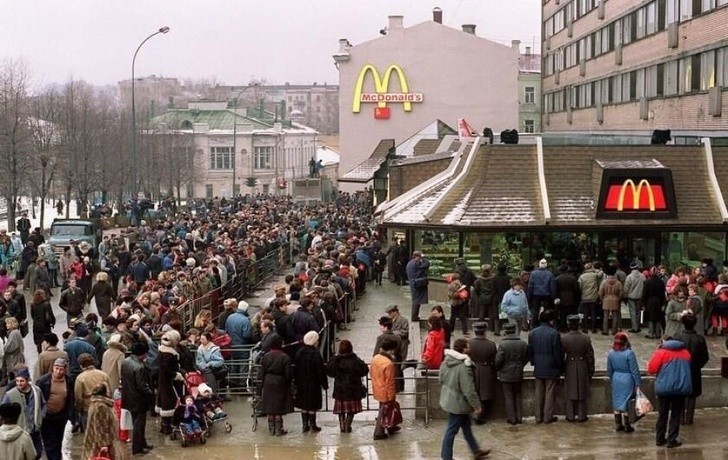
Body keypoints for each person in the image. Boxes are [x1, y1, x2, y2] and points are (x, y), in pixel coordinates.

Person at [438, 338, 490, 460]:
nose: (470, 348)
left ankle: (476, 450)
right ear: (464, 349)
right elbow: (469, 390)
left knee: (466, 426)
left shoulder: (446, 361)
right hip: (459, 403)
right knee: (451, 430)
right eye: (468, 346)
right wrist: (477, 405)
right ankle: (446, 457)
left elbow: (440, 379)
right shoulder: (464, 367)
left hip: (449, 399)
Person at [647, 335, 692, 448]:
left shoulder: (661, 352)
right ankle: (672, 439)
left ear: (664, 342)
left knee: (663, 414)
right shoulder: (686, 353)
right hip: (680, 388)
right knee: (676, 414)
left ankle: (660, 438)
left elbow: (651, 369)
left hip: (664, 388)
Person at [326, 339, 369, 433]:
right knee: (351, 410)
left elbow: (329, 371)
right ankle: (347, 425)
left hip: (340, 389)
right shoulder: (355, 359)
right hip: (353, 389)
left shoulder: (336, 359)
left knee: (341, 410)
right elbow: (365, 370)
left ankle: (342, 425)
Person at [528, 310, 563, 424]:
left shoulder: (533, 333)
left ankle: (538, 417)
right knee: (549, 392)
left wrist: (534, 362)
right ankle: (548, 417)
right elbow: (558, 353)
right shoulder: (554, 333)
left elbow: (530, 351)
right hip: (551, 367)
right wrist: (560, 366)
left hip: (538, 366)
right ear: (551, 320)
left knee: (538, 392)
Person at [1, 368, 44, 459]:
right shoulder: (10, 395)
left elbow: (43, 404)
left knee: (38, 453)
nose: (19, 383)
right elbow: (3, 411)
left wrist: (40, 417)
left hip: (34, 430)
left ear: (28, 380)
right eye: (17, 381)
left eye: (22, 381)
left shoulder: (37, 391)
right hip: (19, 430)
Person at [121, 341, 154, 456]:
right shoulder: (139, 367)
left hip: (128, 397)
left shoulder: (125, 362)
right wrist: (151, 394)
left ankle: (142, 443)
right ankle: (138, 448)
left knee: (138, 424)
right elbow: (143, 386)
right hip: (138, 400)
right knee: (139, 425)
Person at [675, 314, 708, 425]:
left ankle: (680, 418)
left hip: (680, 370)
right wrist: (697, 365)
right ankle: (689, 418)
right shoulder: (699, 339)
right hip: (694, 370)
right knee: (692, 396)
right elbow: (705, 357)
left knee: (680, 395)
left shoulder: (678, 337)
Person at [37, 358, 73, 460]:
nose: (58, 371)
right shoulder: (44, 381)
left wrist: (71, 416)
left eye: (61, 369)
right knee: (50, 442)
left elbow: (70, 399)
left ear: (65, 370)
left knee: (59, 440)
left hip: (61, 417)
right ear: (53, 368)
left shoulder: (68, 381)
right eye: (56, 368)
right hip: (47, 417)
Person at [561, 315, 595, 422]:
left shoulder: (564, 339)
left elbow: (561, 356)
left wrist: (562, 369)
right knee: (582, 391)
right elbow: (590, 356)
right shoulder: (586, 338)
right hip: (582, 365)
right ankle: (582, 415)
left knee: (570, 391)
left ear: (569, 325)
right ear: (579, 325)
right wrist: (591, 370)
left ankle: (570, 415)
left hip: (569, 365)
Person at [258, 335, 294, 436]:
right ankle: (279, 429)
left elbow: (261, 371)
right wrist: (288, 383)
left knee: (269, 406)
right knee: (278, 407)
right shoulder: (285, 357)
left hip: (268, 382)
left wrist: (262, 382)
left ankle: (271, 429)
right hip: (280, 382)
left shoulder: (266, 356)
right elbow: (288, 373)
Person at [293, 331, 328, 432]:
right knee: (312, 405)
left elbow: (295, 368)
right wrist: (324, 384)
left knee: (304, 405)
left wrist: (295, 381)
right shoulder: (316, 354)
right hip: (313, 383)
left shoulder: (300, 352)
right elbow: (320, 370)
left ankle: (305, 425)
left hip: (301, 383)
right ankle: (313, 424)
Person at [606, 332, 641, 434]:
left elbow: (609, 369)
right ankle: (627, 425)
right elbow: (634, 370)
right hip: (627, 379)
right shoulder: (629, 353)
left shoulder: (611, 353)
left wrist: (612, 379)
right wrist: (638, 383)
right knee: (627, 402)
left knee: (617, 401)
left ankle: (618, 424)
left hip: (616, 378)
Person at [82, 383, 127, 460]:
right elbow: (101, 426)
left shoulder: (95, 403)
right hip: (101, 443)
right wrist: (103, 445)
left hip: (96, 441)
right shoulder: (101, 406)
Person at [495, 322, 528, 425]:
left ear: (505, 331)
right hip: (518, 372)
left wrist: (500, 369)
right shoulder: (522, 343)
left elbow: (498, 361)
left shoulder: (503, 344)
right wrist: (520, 365)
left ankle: (512, 418)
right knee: (518, 395)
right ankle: (519, 418)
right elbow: (527, 357)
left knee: (508, 396)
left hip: (506, 374)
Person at [74, 353, 111, 432]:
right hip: (104, 406)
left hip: (88, 408)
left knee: (90, 433)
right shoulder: (104, 375)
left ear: (81, 365)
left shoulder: (80, 378)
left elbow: (78, 397)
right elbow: (109, 392)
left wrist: (78, 409)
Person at [469, 322, 497, 425]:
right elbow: (495, 361)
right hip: (487, 370)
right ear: (484, 331)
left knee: (474, 393)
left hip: (473, 369)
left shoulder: (469, 343)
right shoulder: (491, 344)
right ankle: (481, 415)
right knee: (486, 395)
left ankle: (475, 414)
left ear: (475, 331)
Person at [371, 338, 399, 440]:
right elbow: (390, 382)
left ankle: (390, 427)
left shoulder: (376, 358)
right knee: (383, 412)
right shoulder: (388, 364)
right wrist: (392, 395)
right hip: (385, 392)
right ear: (391, 350)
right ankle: (378, 433)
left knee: (383, 410)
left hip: (377, 388)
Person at [156, 330, 182, 435]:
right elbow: (167, 369)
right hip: (169, 382)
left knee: (164, 403)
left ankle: (164, 426)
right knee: (169, 404)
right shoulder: (169, 354)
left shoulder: (162, 351)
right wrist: (176, 375)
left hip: (162, 381)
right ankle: (167, 427)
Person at [527, 259, 555, 327]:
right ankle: (546, 324)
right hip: (546, 294)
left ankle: (534, 325)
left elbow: (531, 285)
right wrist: (553, 296)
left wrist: (529, 295)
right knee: (546, 310)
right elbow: (552, 286)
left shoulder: (533, 273)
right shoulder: (550, 274)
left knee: (535, 310)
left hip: (536, 294)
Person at [405, 250, 429, 322]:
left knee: (416, 300)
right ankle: (414, 317)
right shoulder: (417, 263)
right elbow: (426, 264)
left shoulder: (410, 263)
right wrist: (424, 259)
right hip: (417, 284)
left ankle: (415, 316)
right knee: (416, 301)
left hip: (414, 284)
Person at [599, 265, 623, 336]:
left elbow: (600, 292)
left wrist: (602, 299)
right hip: (615, 299)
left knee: (605, 316)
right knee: (615, 316)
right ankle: (614, 330)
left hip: (606, 299)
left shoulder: (604, 282)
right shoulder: (618, 283)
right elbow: (621, 293)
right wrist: (618, 298)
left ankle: (605, 330)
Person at [578, 263, 602, 334]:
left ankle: (585, 328)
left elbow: (579, 286)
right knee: (593, 313)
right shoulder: (595, 275)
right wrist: (595, 270)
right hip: (593, 297)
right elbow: (601, 274)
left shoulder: (581, 276)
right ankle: (593, 328)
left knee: (585, 313)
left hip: (585, 297)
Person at [623, 262, 646, 333]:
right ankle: (638, 326)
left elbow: (626, 288)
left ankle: (634, 327)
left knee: (632, 312)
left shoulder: (629, 277)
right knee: (638, 311)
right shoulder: (642, 276)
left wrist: (625, 296)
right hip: (640, 296)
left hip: (631, 296)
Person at [30, 290, 55, 354]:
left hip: (36, 325)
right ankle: (47, 353)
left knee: (38, 341)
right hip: (45, 325)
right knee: (47, 340)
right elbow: (51, 315)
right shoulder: (46, 304)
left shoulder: (32, 304)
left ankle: (40, 353)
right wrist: (53, 322)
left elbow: (32, 315)